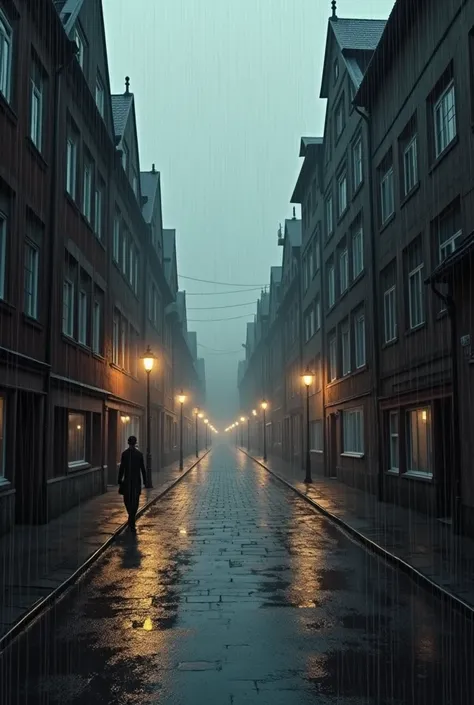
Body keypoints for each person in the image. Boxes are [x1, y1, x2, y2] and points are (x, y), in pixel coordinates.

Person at [118, 435, 147, 532]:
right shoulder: (139, 454)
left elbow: (122, 468)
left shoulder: (124, 454)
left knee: (127, 500)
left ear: (128, 443)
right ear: (135, 443)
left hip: (127, 481)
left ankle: (131, 517)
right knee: (135, 500)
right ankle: (132, 518)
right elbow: (142, 469)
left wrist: (119, 479)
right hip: (136, 481)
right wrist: (145, 481)